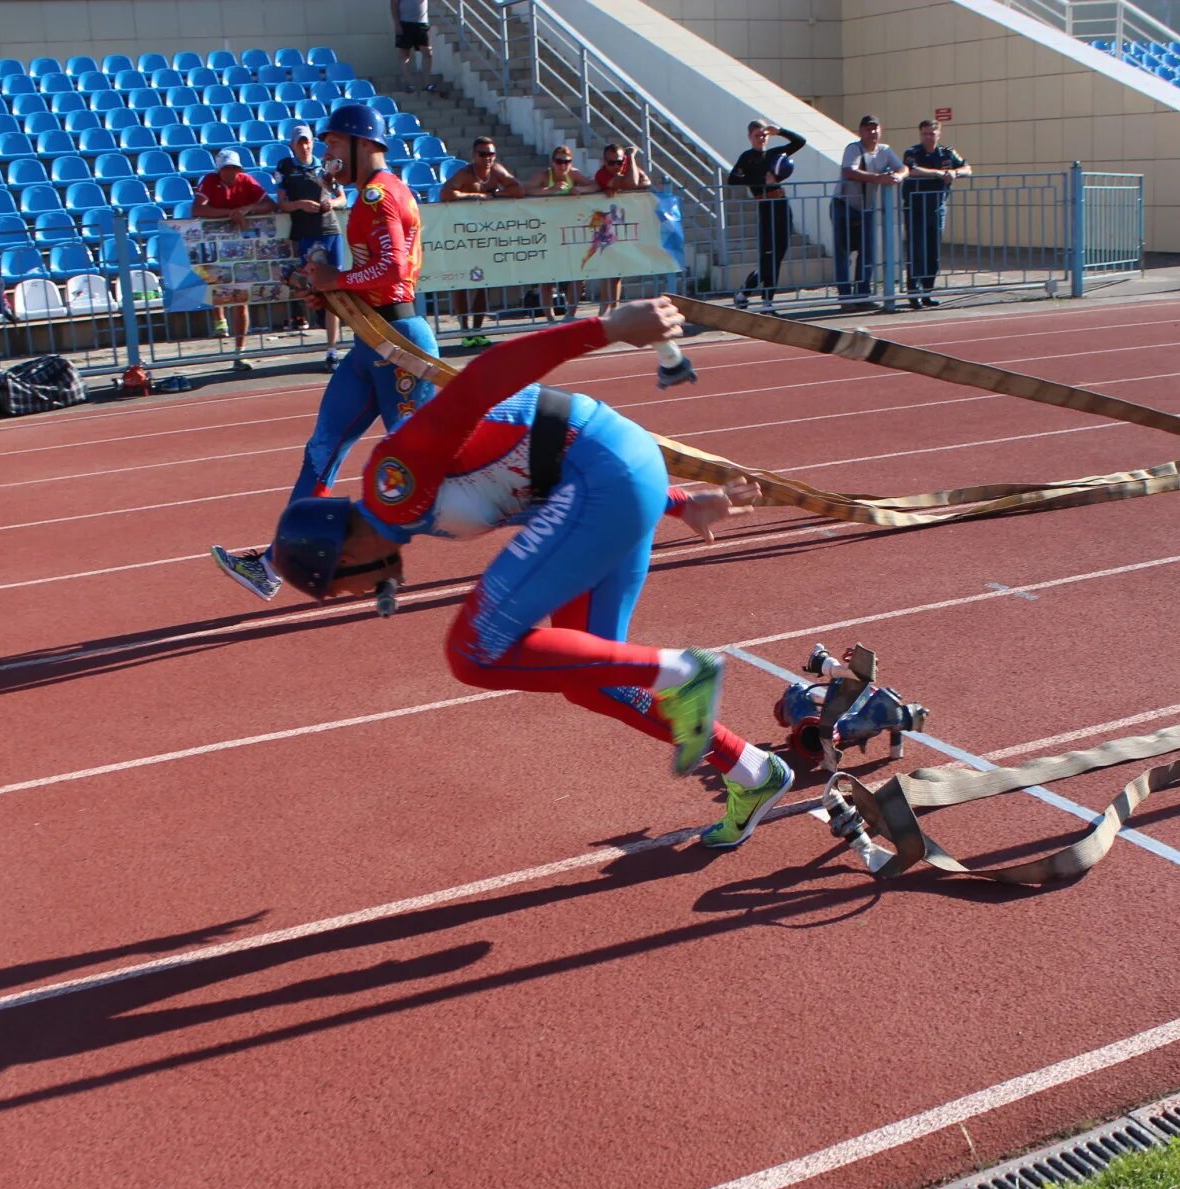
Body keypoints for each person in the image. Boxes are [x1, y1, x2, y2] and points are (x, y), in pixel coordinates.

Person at [264, 298, 794, 849]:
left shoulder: (393, 481)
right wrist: (679, 503)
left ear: (341, 558)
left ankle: (682, 670)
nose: (356, 596)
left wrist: (605, 328)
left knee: (473, 650)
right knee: (598, 680)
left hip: (605, 475)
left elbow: (481, 383)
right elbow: (534, 465)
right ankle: (751, 770)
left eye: (338, 591)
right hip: (613, 479)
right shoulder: (409, 513)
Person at [210, 103, 438, 601]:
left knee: (418, 468)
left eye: (334, 144)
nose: (328, 152)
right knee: (323, 448)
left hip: (397, 343)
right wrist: (336, 293)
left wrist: (338, 280)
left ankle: (534, 508)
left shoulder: (378, 196)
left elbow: (395, 272)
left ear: (363, 143)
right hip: (370, 341)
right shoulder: (369, 195)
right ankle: (271, 567)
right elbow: (377, 274)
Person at [193, 148, 276, 371]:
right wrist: (229, 214)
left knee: (241, 298)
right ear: (219, 170)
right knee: (212, 280)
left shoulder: (246, 181)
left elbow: (270, 204)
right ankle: (219, 318)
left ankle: (240, 352)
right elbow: (197, 209)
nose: (231, 173)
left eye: (234, 169)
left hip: (241, 247)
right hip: (214, 243)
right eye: (226, 169)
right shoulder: (209, 181)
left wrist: (247, 208)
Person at [274, 123, 347, 370]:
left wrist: (331, 205)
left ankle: (332, 350)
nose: (304, 146)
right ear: (293, 145)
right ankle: (318, 320)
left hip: (330, 229)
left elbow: (341, 197)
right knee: (315, 288)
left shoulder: (325, 165)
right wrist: (300, 205)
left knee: (333, 289)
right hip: (305, 233)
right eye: (299, 142)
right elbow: (282, 203)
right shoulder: (286, 167)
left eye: (307, 141)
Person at [440, 137, 525, 346]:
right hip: (462, 234)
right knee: (461, 283)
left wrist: (496, 193)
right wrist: (474, 196)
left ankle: (477, 330)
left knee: (484, 282)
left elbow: (518, 189)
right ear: (474, 155)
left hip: (485, 236)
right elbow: (447, 193)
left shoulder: (497, 171)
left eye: (491, 154)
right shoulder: (466, 173)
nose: (487, 158)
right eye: (483, 154)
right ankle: (464, 330)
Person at [727, 119, 805, 311]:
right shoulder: (747, 157)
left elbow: (800, 142)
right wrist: (762, 179)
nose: (761, 138)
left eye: (763, 134)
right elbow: (733, 179)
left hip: (781, 203)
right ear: (750, 137)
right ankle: (745, 292)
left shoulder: (773, 154)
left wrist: (780, 130)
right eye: (757, 135)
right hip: (765, 205)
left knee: (779, 254)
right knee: (768, 256)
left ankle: (767, 301)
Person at [835, 115, 904, 306]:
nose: (872, 132)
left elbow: (903, 167)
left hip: (867, 208)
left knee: (867, 252)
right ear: (860, 131)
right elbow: (850, 170)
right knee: (843, 252)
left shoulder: (885, 150)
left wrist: (898, 176)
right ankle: (845, 297)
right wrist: (878, 178)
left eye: (875, 128)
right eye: (867, 128)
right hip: (845, 206)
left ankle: (862, 296)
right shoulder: (853, 148)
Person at [900, 119, 969, 308]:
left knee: (933, 253)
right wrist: (938, 174)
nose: (928, 137)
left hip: (937, 208)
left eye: (932, 133)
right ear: (920, 134)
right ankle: (914, 294)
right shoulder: (913, 152)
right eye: (925, 133)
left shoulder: (947, 152)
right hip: (915, 209)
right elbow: (911, 170)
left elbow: (967, 168)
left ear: (939, 134)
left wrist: (956, 173)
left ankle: (927, 293)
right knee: (917, 252)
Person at [527, 144, 598, 321]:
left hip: (570, 231)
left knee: (577, 274)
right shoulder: (545, 176)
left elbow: (595, 186)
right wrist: (549, 191)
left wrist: (581, 190)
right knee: (548, 276)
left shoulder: (573, 175)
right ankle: (550, 317)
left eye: (566, 161)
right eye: (559, 161)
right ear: (553, 162)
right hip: (548, 231)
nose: (562, 166)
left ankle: (570, 313)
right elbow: (525, 189)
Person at [591, 143, 650, 315]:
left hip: (623, 223)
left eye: (619, 162)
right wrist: (622, 181)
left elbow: (645, 181)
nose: (616, 166)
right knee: (607, 269)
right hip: (604, 225)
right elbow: (633, 182)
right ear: (604, 162)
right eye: (611, 163)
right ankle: (603, 310)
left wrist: (620, 182)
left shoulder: (626, 166)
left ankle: (615, 310)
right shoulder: (601, 174)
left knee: (618, 271)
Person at [388, 0, 435, 93]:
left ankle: (427, 83)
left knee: (427, 52)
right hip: (405, 23)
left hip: (421, 23)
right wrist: (397, 24)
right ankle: (410, 84)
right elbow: (394, 4)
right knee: (405, 55)